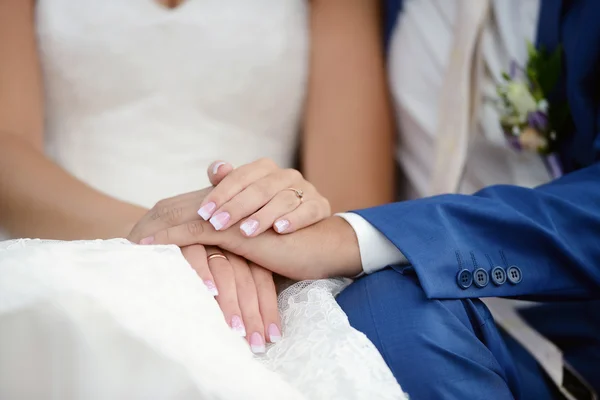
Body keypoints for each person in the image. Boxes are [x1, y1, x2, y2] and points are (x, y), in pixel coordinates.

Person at [132, 0, 600, 399]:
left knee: (391, 308)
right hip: (388, 309)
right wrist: (209, 238)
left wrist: (351, 237)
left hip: (566, 338)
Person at [0, 0, 393, 354]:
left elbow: (351, 202)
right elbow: (8, 150)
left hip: (257, 281)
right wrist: (166, 240)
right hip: (61, 245)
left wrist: (286, 223)